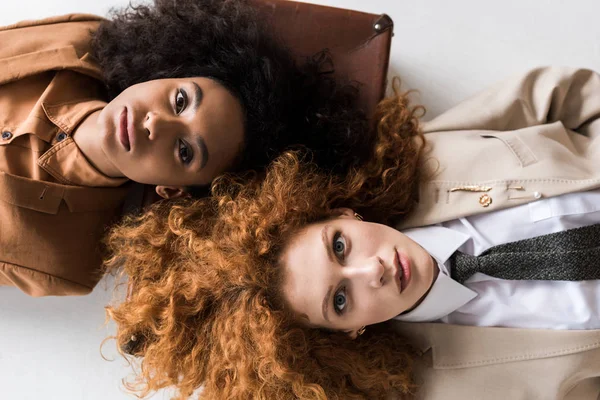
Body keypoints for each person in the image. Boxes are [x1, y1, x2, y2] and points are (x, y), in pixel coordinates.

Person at [105, 66, 600, 399]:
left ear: (341, 213)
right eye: (340, 301)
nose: (375, 270)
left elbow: (556, 96)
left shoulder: (432, 159)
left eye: (339, 246)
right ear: (346, 333)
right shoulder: (440, 386)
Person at [0, 0, 372, 297]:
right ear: (164, 72)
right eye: (180, 100)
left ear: (172, 190)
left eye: (185, 152)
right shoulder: (77, 39)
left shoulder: (64, 262)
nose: (155, 124)